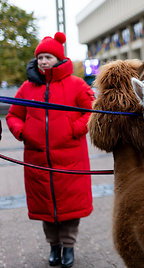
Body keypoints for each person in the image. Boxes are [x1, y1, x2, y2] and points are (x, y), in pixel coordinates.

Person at [6, 32, 95, 267]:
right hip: (37, 160)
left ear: (58, 59)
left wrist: (73, 129)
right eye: (40, 57)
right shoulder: (27, 87)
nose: (43, 61)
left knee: (70, 208)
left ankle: (68, 247)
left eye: (48, 57)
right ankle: (53, 247)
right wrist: (23, 132)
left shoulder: (76, 85)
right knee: (46, 208)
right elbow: (14, 114)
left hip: (70, 158)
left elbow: (91, 113)